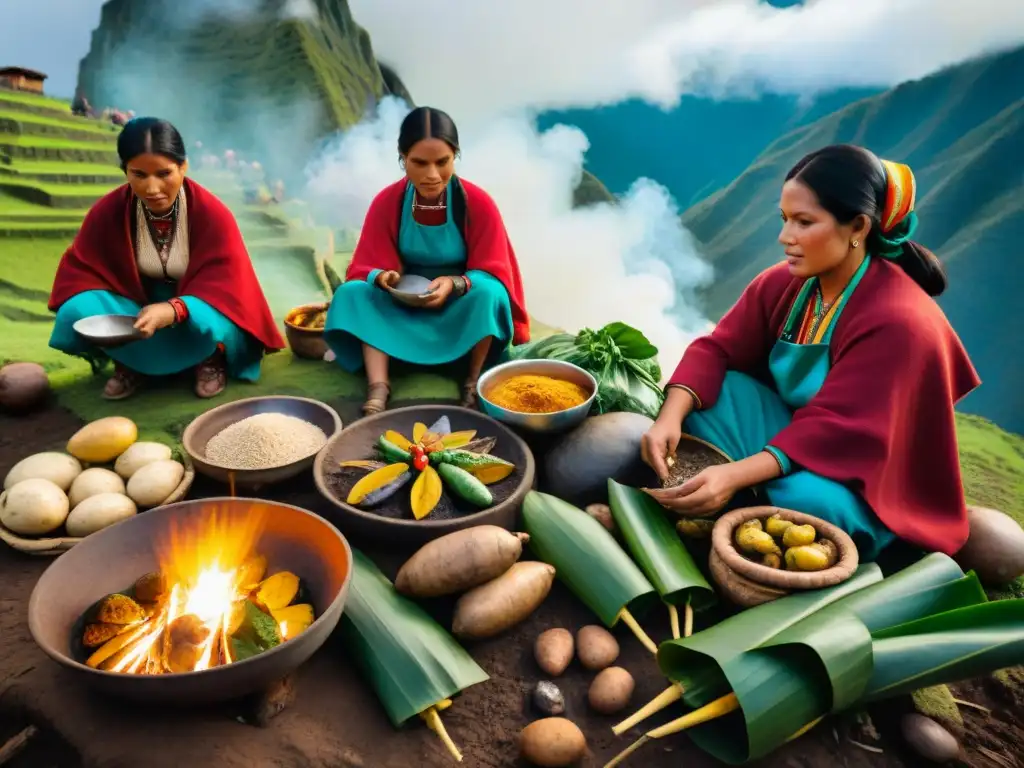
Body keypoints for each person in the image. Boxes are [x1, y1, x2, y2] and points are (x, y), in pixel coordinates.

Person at [641, 144, 980, 561]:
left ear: (857, 226)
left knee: (805, 502)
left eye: (804, 222)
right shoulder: (786, 283)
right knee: (710, 395)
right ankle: (747, 490)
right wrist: (668, 417)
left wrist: (732, 474)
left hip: (867, 480)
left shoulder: (899, 320)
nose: (785, 238)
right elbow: (718, 349)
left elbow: (837, 429)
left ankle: (750, 495)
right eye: (784, 219)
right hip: (797, 437)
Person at [48, 117, 285, 400]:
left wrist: (175, 309)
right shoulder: (107, 212)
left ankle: (208, 360)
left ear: (183, 167)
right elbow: (81, 270)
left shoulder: (212, 213)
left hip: (195, 307)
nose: (152, 188)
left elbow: (230, 285)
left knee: (213, 318)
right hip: (136, 307)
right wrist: (144, 306)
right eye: (139, 174)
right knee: (77, 308)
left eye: (164, 173)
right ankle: (130, 362)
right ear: (125, 170)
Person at [323, 106, 530, 414]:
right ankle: (378, 385)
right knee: (352, 294)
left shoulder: (477, 203)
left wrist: (455, 283)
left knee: (490, 295)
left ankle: (473, 383)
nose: (431, 175)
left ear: (455, 156)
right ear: (402, 158)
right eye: (419, 163)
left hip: (458, 305)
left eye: (442, 162)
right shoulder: (388, 202)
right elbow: (365, 265)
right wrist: (382, 277)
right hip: (403, 303)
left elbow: (494, 271)